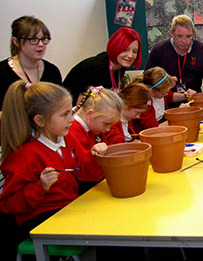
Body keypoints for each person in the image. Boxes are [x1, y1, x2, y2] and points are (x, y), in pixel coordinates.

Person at [0, 81, 106, 259]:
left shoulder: (66, 140)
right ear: (40, 121)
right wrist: (40, 186)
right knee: (105, 235)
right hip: (41, 220)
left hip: (68, 209)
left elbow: (85, 172)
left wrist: (95, 156)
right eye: (64, 115)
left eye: (70, 112)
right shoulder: (23, 155)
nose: (71, 119)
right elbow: (9, 204)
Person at [63, 27, 142, 103]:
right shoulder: (96, 67)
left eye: (134, 51)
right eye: (125, 50)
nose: (130, 55)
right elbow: (88, 99)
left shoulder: (120, 68)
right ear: (115, 47)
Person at [145, 15, 203, 96]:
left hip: (194, 98)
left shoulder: (202, 51)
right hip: (166, 100)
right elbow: (147, 79)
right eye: (179, 36)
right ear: (172, 33)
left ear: (193, 33)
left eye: (188, 36)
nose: (184, 41)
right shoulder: (158, 50)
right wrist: (164, 82)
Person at [0, 16, 62, 110]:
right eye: (33, 39)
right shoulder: (2, 71)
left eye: (44, 39)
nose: (41, 44)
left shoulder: (52, 71)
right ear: (16, 41)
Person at [132, 67, 195, 133]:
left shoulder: (159, 94)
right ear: (152, 91)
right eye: (164, 93)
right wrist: (178, 115)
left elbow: (170, 96)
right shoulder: (144, 104)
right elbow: (155, 129)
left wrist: (186, 96)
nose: (166, 94)